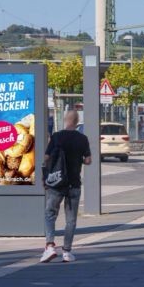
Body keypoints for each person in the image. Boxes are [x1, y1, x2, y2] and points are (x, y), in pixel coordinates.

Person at [41, 110, 92, 263]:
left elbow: (46, 158)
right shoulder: (82, 139)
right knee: (71, 220)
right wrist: (78, 160)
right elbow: (88, 160)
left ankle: (50, 246)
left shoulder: (56, 137)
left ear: (65, 120)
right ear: (77, 122)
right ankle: (67, 252)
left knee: (50, 214)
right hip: (74, 184)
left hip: (56, 183)